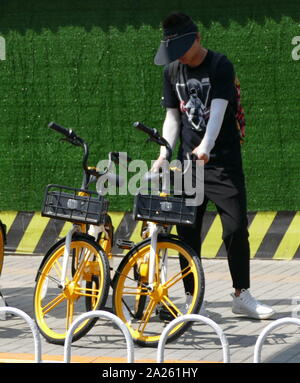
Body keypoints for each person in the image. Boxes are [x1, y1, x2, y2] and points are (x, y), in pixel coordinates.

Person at [152, 12, 275, 319]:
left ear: (197, 39)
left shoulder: (220, 65)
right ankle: (194, 299)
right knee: (187, 233)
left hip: (222, 164)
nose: (178, 55)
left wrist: (205, 147)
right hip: (187, 167)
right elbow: (173, 118)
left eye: (182, 47)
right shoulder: (171, 70)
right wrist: (164, 153)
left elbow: (219, 111)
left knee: (234, 230)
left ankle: (241, 295)